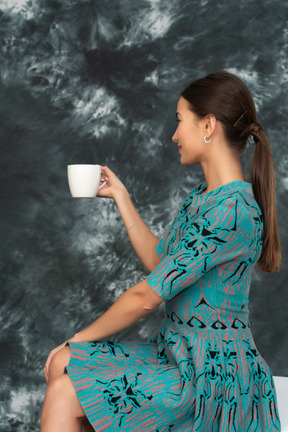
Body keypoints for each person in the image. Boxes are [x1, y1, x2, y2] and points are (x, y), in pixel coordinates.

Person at [40, 71, 282, 432]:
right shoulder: (202, 198)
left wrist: (76, 339)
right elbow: (161, 264)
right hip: (176, 354)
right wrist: (121, 197)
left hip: (212, 377)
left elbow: (146, 297)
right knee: (62, 366)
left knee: (64, 385)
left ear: (208, 125)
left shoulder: (233, 211)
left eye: (180, 121)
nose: (174, 135)